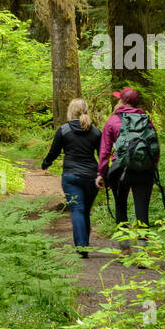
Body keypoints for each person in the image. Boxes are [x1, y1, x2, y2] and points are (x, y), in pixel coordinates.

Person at [41, 98, 102, 257]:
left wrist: (46, 163)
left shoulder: (64, 130)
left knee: (77, 210)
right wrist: (104, 174)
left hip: (71, 176)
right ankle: (84, 245)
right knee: (85, 211)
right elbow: (103, 155)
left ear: (70, 111)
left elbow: (54, 152)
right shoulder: (95, 131)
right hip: (91, 177)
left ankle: (82, 246)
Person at [95, 86, 159, 230]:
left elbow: (105, 150)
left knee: (120, 206)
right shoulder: (146, 120)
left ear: (122, 102)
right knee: (142, 211)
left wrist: (101, 173)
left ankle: (124, 245)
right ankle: (143, 245)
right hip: (144, 169)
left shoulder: (112, 121)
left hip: (120, 169)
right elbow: (154, 145)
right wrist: (152, 166)